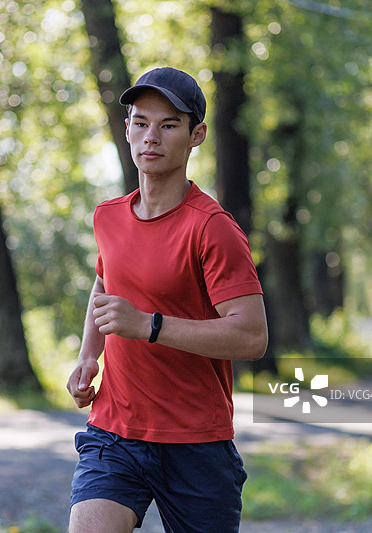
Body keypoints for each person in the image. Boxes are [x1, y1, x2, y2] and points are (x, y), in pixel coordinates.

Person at [66, 67, 268, 533]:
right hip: (114, 432)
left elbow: (252, 335)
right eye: (140, 122)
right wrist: (88, 357)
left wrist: (150, 326)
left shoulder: (212, 227)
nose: (151, 137)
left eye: (169, 125)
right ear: (128, 129)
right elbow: (104, 286)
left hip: (196, 442)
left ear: (196, 135)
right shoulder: (109, 217)